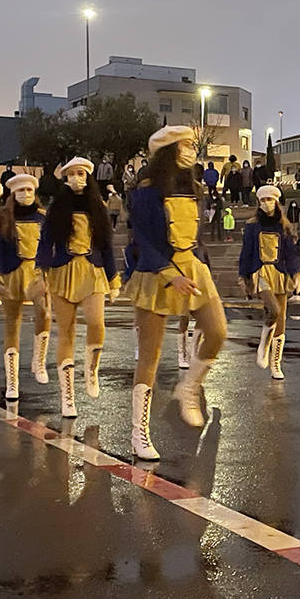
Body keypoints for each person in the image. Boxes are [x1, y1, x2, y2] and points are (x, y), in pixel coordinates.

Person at [125, 125, 228, 459]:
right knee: (150, 358)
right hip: (156, 272)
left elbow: (194, 236)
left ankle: (189, 387)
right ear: (168, 151)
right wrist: (171, 274)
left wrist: (200, 265)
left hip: (192, 265)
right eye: (184, 145)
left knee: (217, 331)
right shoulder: (146, 190)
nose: (191, 150)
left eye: (191, 145)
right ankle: (139, 433)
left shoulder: (194, 187)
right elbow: (143, 238)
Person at [37, 156, 119, 418]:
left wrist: (113, 278)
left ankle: (92, 371)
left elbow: (106, 244)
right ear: (65, 177)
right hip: (63, 270)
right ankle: (68, 396)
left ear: (89, 176)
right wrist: (42, 270)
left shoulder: (98, 207)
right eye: (71, 173)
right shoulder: (57, 207)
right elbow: (45, 240)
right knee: (66, 331)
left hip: (92, 269)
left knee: (97, 324)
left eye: (81, 173)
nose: (76, 177)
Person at [0, 173, 51, 394]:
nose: (26, 194)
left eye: (29, 191)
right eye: (21, 191)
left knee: (44, 313)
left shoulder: (43, 218)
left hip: (36, 272)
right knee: (11, 325)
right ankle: (12, 381)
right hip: (12, 273)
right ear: (13, 195)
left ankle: (39, 361)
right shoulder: (4, 219)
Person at [240, 184, 300, 381]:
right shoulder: (252, 225)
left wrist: (296, 272)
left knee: (281, 318)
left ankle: (276, 363)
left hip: (280, 272)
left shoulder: (284, 226)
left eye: (270, 200)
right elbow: (246, 252)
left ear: (277, 201)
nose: (266, 204)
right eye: (263, 200)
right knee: (273, 310)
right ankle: (263, 344)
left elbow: (291, 254)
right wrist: (244, 276)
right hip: (260, 273)